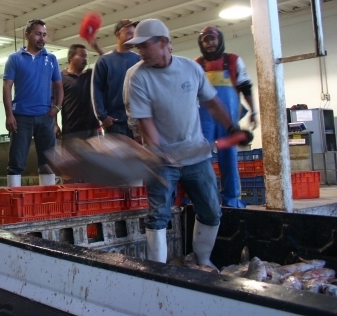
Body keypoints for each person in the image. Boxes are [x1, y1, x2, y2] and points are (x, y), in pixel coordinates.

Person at [124, 19, 250, 267]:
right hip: (160, 159)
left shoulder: (191, 69)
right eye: (137, 47)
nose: (140, 52)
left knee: (212, 210)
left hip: (196, 155)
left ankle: (202, 260)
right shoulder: (137, 76)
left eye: (144, 46)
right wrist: (158, 152)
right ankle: (158, 270)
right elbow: (144, 120)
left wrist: (232, 127)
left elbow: (212, 102)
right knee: (158, 215)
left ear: (163, 42)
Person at [195, 26, 258, 208]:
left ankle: (231, 199)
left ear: (220, 40)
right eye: (205, 40)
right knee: (200, 160)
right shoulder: (196, 65)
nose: (210, 43)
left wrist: (253, 112)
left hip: (228, 122)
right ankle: (203, 198)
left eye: (213, 39)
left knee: (229, 158)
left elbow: (246, 87)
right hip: (203, 122)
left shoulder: (233, 61)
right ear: (201, 43)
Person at [3, 19, 63, 187]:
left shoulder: (51, 58)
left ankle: (48, 201)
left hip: (45, 117)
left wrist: (57, 107)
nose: (42, 38)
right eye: (38, 34)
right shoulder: (14, 59)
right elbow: (7, 87)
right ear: (27, 34)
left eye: (44, 35)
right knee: (16, 161)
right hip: (21, 117)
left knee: (48, 161)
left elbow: (58, 85)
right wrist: (9, 115)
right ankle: (13, 197)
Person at [92, 19, 140, 138]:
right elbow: (97, 90)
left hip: (138, 122)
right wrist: (102, 116)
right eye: (128, 33)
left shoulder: (140, 60)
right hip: (115, 122)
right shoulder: (104, 61)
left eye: (134, 34)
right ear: (118, 34)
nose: (132, 36)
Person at [55, 44, 99, 142]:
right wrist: (55, 125)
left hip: (92, 130)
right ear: (71, 57)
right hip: (71, 130)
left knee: (93, 158)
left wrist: (97, 47)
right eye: (82, 55)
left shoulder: (90, 75)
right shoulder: (60, 78)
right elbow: (54, 102)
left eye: (87, 56)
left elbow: (108, 62)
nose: (86, 59)